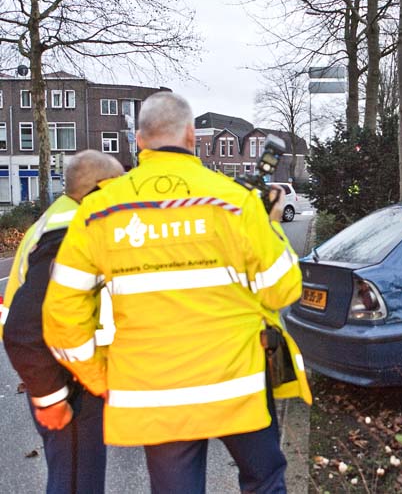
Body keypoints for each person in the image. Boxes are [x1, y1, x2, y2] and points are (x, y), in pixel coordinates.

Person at [42, 92, 311, 493]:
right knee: (264, 479)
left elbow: (61, 316)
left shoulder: (99, 212)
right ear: (190, 135)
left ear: (138, 140)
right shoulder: (234, 203)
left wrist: (99, 377)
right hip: (235, 386)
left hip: (157, 394)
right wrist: (269, 224)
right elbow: (283, 288)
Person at [2, 150, 124, 494]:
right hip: (68, 381)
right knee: (76, 483)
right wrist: (51, 397)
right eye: (120, 185)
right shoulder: (70, 232)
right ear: (100, 188)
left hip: (62, 373)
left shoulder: (56, 219)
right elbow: (24, 327)